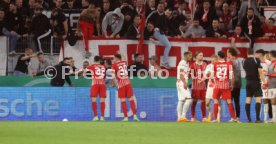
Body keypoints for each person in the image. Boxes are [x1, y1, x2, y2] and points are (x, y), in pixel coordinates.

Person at [112, 54, 139, 121]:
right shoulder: (124, 62)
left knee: (123, 100)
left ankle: (126, 117)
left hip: (121, 84)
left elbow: (113, 76)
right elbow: (124, 58)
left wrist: (113, 83)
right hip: (128, 82)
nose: (113, 60)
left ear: (116, 58)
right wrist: (120, 53)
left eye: (113, 58)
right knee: (131, 99)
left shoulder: (114, 65)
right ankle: (135, 116)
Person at [213, 51, 237, 123]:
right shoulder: (229, 63)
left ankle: (215, 119)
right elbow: (231, 76)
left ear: (219, 56)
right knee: (229, 101)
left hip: (217, 85)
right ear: (224, 56)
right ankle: (233, 118)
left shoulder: (215, 64)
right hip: (226, 85)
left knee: (216, 101)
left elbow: (214, 74)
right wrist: (232, 84)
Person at [242, 48, 265, 123]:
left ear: (247, 53)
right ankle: (258, 119)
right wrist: (264, 81)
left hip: (248, 82)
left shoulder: (243, 61)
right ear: (253, 53)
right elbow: (260, 71)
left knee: (248, 100)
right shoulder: (256, 60)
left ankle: (249, 119)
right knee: (258, 100)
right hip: (256, 82)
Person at [147, 2, 172, 69]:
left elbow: (167, 26)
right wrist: (151, 32)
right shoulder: (153, 14)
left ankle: (156, 42)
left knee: (166, 44)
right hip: (156, 32)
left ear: (164, 8)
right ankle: (164, 62)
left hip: (161, 32)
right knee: (168, 45)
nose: (161, 7)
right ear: (157, 7)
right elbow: (147, 23)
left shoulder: (164, 16)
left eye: (162, 6)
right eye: (160, 6)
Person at [85, 56, 106, 121]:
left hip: (95, 84)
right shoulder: (103, 67)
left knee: (94, 100)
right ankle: (102, 117)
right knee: (102, 101)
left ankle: (96, 116)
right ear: (99, 60)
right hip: (102, 84)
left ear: (94, 60)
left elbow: (85, 70)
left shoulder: (92, 66)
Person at [190, 51, 208, 122]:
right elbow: (190, 75)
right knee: (194, 101)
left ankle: (204, 117)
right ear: (196, 56)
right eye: (200, 55)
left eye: (202, 55)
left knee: (203, 101)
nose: (201, 56)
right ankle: (192, 117)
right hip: (195, 87)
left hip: (203, 87)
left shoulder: (205, 65)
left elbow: (207, 74)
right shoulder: (192, 65)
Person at [255, 49, 272, 123]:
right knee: (260, 101)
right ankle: (262, 118)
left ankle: (271, 117)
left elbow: (271, 74)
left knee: (269, 100)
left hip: (267, 84)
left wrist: (266, 82)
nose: (255, 55)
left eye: (257, 53)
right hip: (259, 84)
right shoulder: (256, 63)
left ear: (261, 54)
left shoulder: (269, 63)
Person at [176, 51, 193, 122]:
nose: (191, 57)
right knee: (189, 99)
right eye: (189, 56)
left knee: (181, 100)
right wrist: (185, 83)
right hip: (182, 82)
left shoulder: (187, 63)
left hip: (179, 82)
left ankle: (179, 118)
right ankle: (183, 116)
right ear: (185, 56)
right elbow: (181, 74)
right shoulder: (182, 63)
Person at [227, 48, 242, 120]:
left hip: (232, 83)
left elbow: (230, 73)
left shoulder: (230, 61)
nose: (227, 54)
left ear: (230, 53)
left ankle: (233, 117)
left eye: (227, 52)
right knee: (237, 101)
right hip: (239, 82)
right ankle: (238, 117)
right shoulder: (238, 61)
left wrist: (230, 83)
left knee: (230, 101)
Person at [204, 55, 218, 122]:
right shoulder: (208, 66)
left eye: (214, 60)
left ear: (217, 60)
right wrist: (208, 74)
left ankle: (218, 118)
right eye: (211, 60)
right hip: (210, 86)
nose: (212, 61)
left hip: (217, 86)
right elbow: (205, 74)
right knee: (207, 103)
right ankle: (210, 113)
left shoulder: (219, 66)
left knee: (217, 103)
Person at [267, 50, 276, 123]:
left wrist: (268, 75)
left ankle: (274, 118)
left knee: (273, 101)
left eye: (269, 55)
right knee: (272, 102)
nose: (268, 56)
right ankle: (274, 118)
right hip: (271, 84)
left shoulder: (275, 63)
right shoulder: (271, 63)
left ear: (272, 55)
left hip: (274, 84)